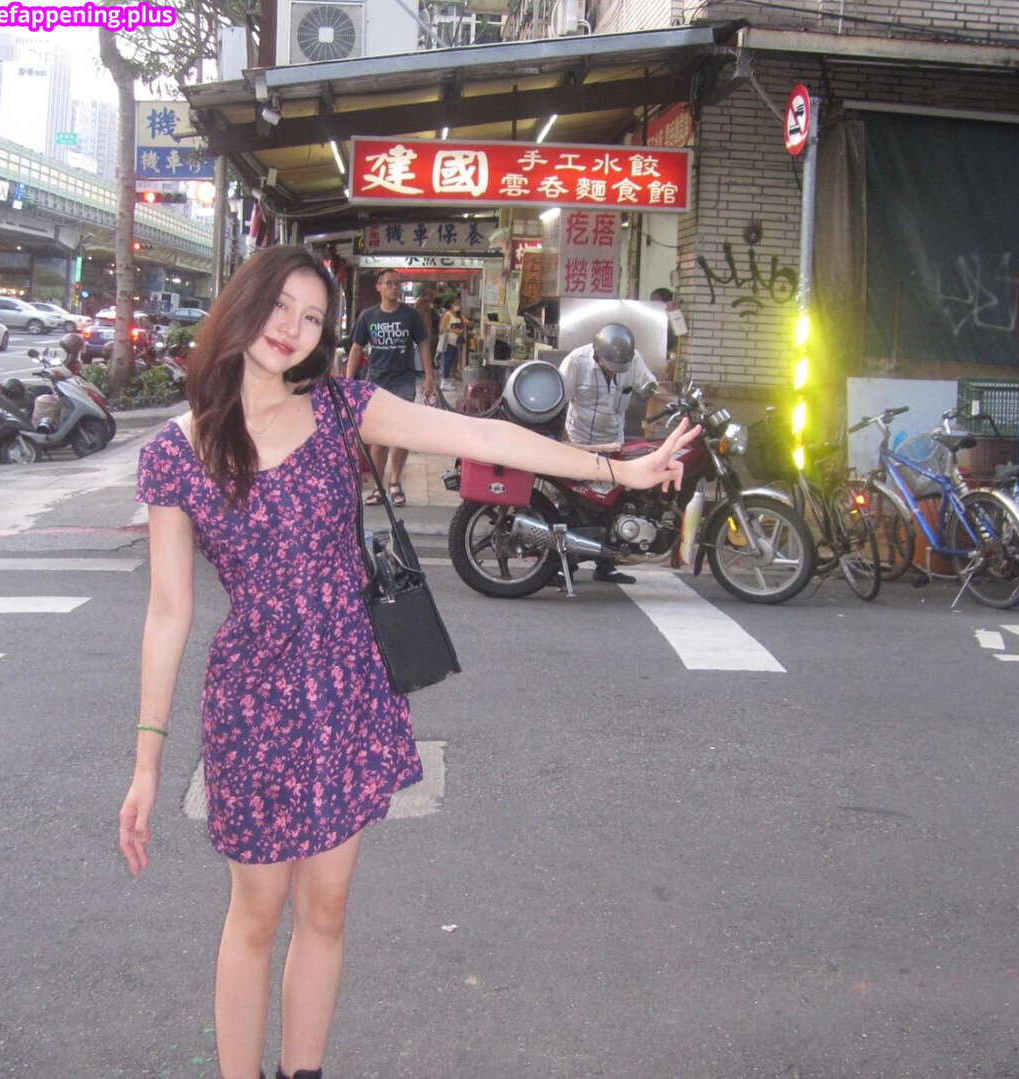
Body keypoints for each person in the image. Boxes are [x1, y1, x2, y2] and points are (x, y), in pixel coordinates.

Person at [118, 244, 699, 1079]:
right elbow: (168, 611)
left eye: (312, 318)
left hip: (348, 684)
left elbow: (483, 434)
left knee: (326, 907)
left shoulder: (343, 408)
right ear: (244, 305)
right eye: (280, 306)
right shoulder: (178, 452)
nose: (292, 328)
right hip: (251, 701)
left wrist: (619, 467)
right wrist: (147, 762)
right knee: (256, 911)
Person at [558, 321, 673, 584]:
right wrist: (564, 443)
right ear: (597, 353)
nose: (613, 372)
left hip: (613, 443)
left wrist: (676, 403)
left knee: (613, 504)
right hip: (580, 443)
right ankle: (563, 567)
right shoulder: (576, 361)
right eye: (609, 366)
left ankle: (606, 565)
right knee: (572, 506)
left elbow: (651, 388)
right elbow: (559, 402)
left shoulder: (632, 360)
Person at [344, 267, 432, 506]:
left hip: (404, 381)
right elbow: (356, 348)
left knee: (402, 435)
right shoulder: (368, 316)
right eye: (390, 283)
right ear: (379, 287)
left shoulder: (410, 315)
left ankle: (395, 482)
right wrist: (348, 382)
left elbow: (423, 344)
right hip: (376, 382)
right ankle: (378, 487)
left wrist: (429, 376)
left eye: (398, 283)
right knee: (379, 437)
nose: (395, 287)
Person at [437, 294, 468, 386]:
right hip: (449, 341)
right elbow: (442, 328)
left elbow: (466, 321)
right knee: (447, 360)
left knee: (452, 360)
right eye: (456, 304)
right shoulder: (447, 314)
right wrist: (454, 330)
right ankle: (444, 380)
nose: (458, 306)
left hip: (455, 342)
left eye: (459, 304)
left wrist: (466, 322)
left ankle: (447, 379)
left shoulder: (458, 315)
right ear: (451, 304)